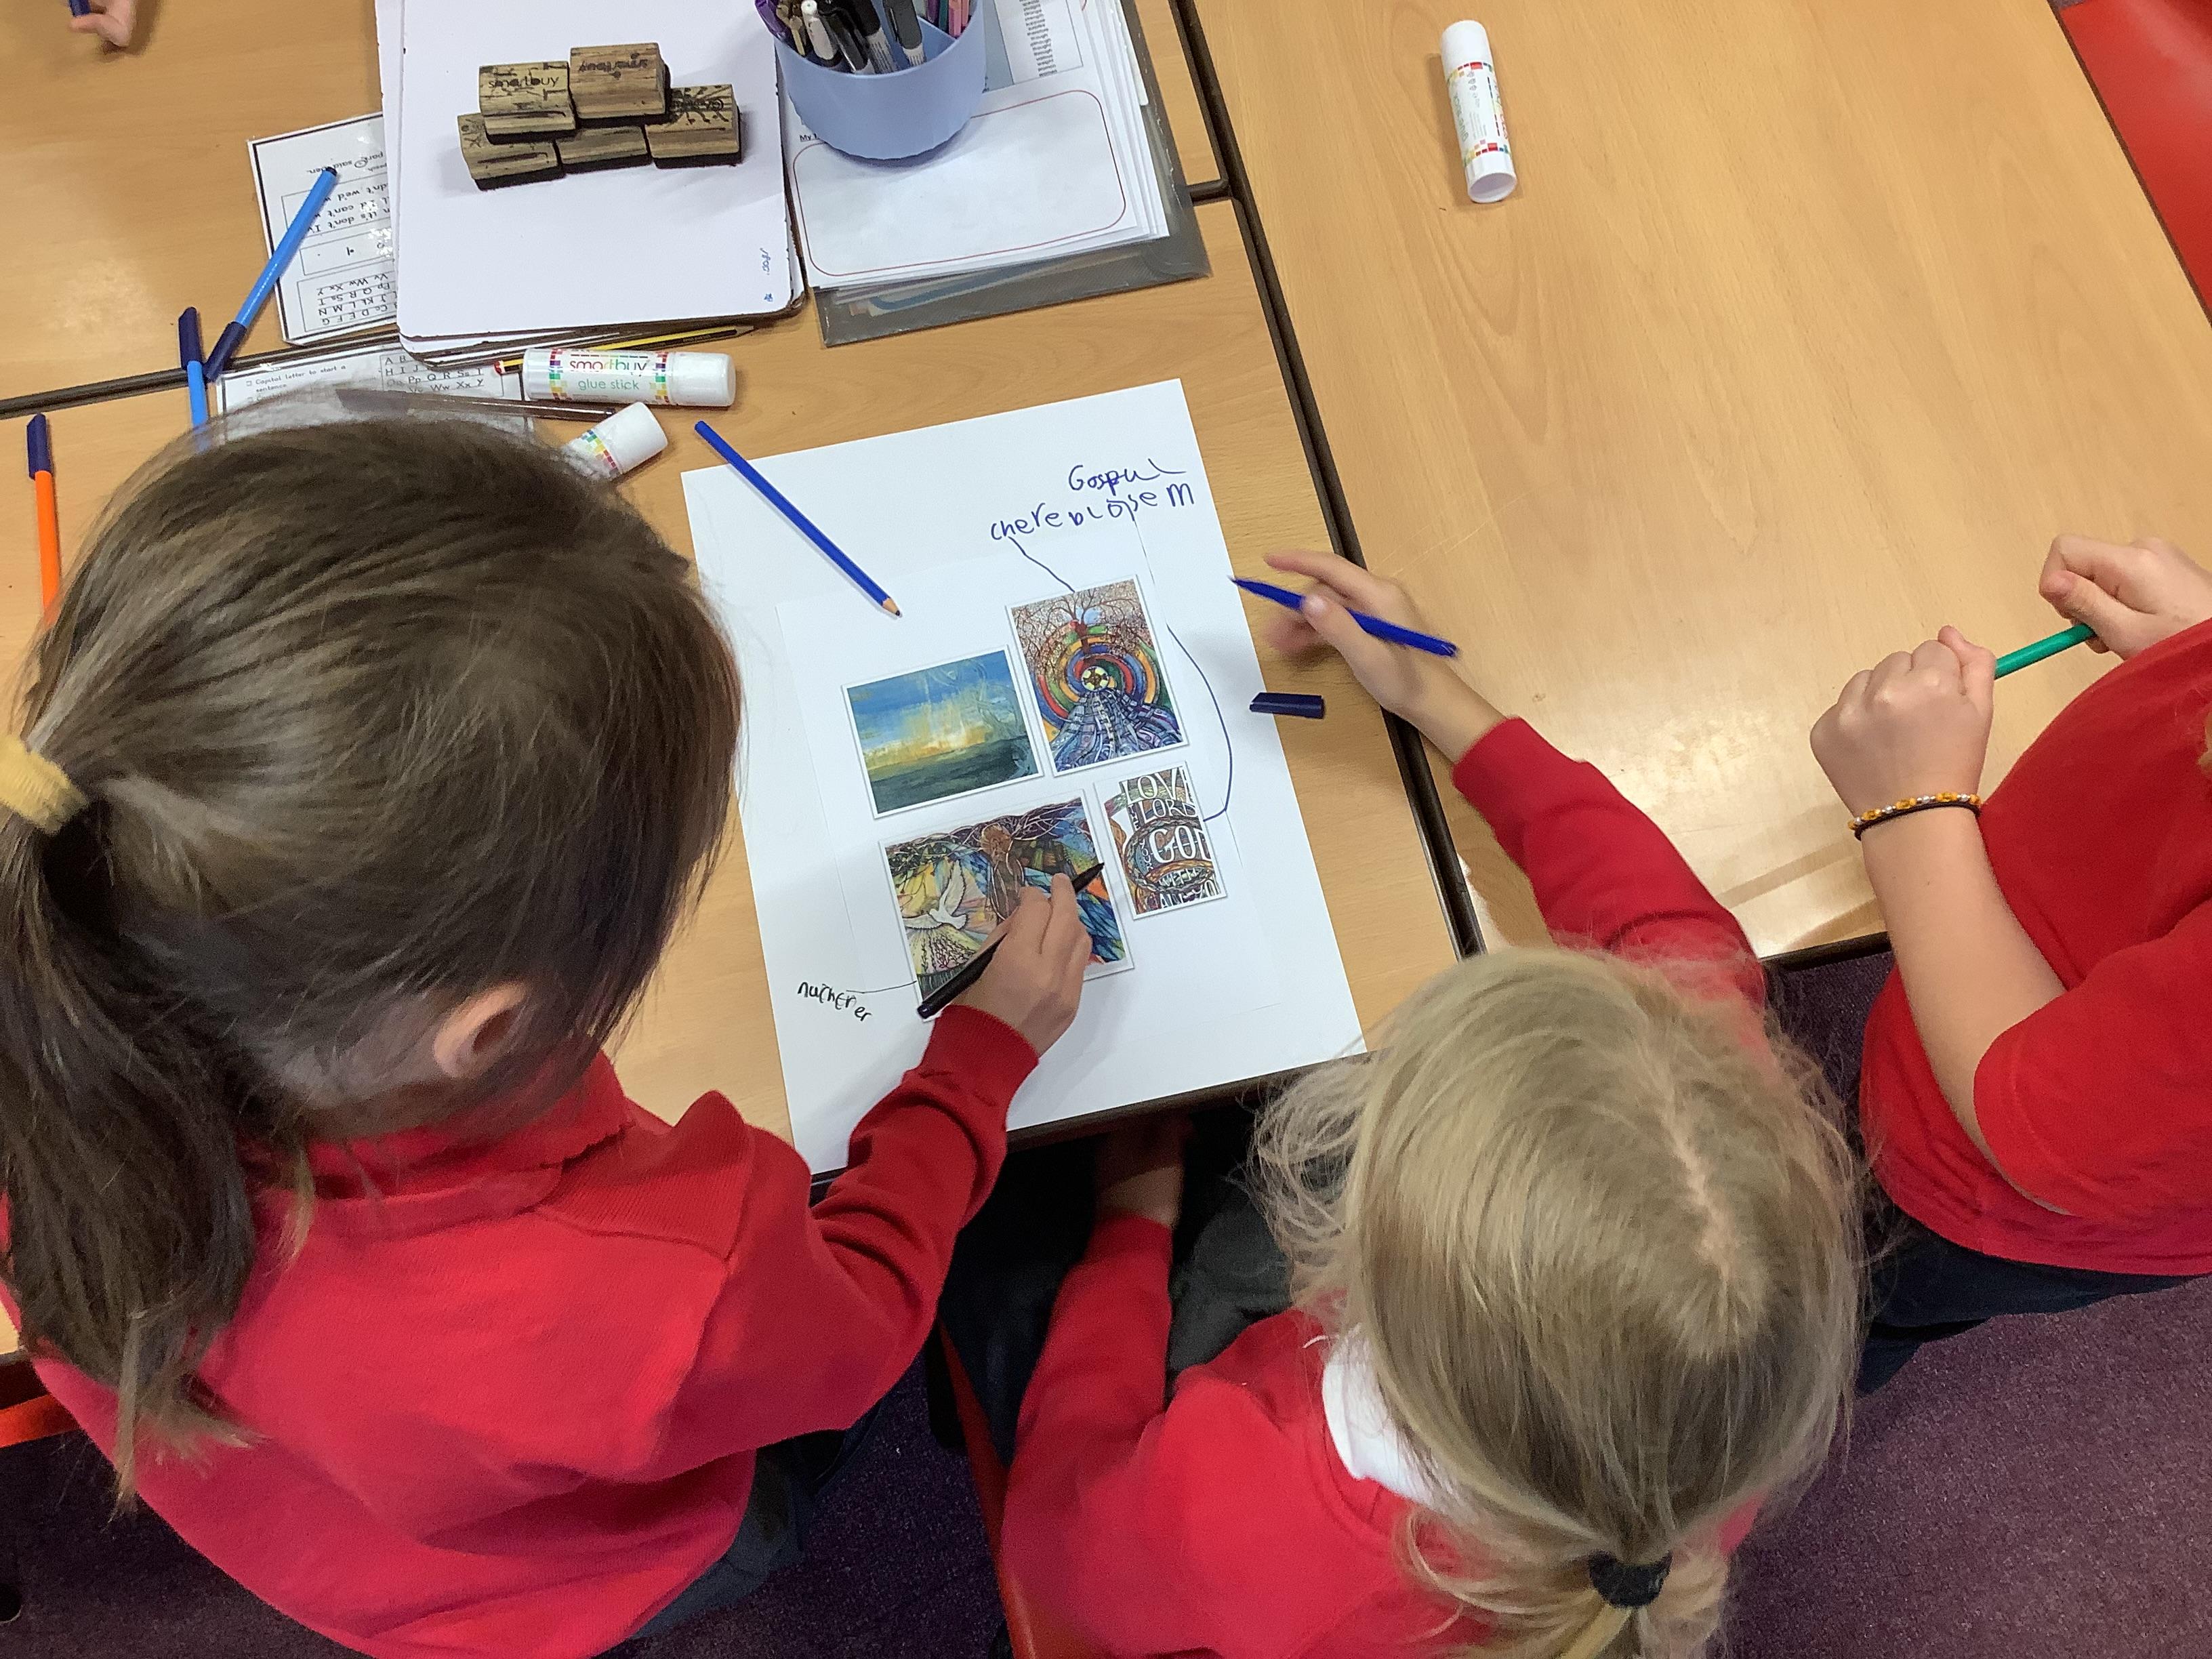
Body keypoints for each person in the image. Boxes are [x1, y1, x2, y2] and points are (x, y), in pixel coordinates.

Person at [0, 415, 1091, 1659]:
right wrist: (975, 1066)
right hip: (584, 1569)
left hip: (338, 1547)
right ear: (493, 1026)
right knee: (762, 1498)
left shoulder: (46, 987)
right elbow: (858, 1327)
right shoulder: (658, 1282)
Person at [987, 550, 1865, 1659]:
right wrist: (1436, 698)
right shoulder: (1719, 1288)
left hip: (1213, 1490)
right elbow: (1674, 938)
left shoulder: (1229, 1512)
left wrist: (1127, 1227)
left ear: (1359, 1258)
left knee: (1005, 1262)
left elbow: (1055, 1543)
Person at [1814, 534, 2212, 1392]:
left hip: (1974, 1172)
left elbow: (2042, 1118)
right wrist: (2199, 649)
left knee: (1831, 1304)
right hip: (2006, 979)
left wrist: (1908, 811)